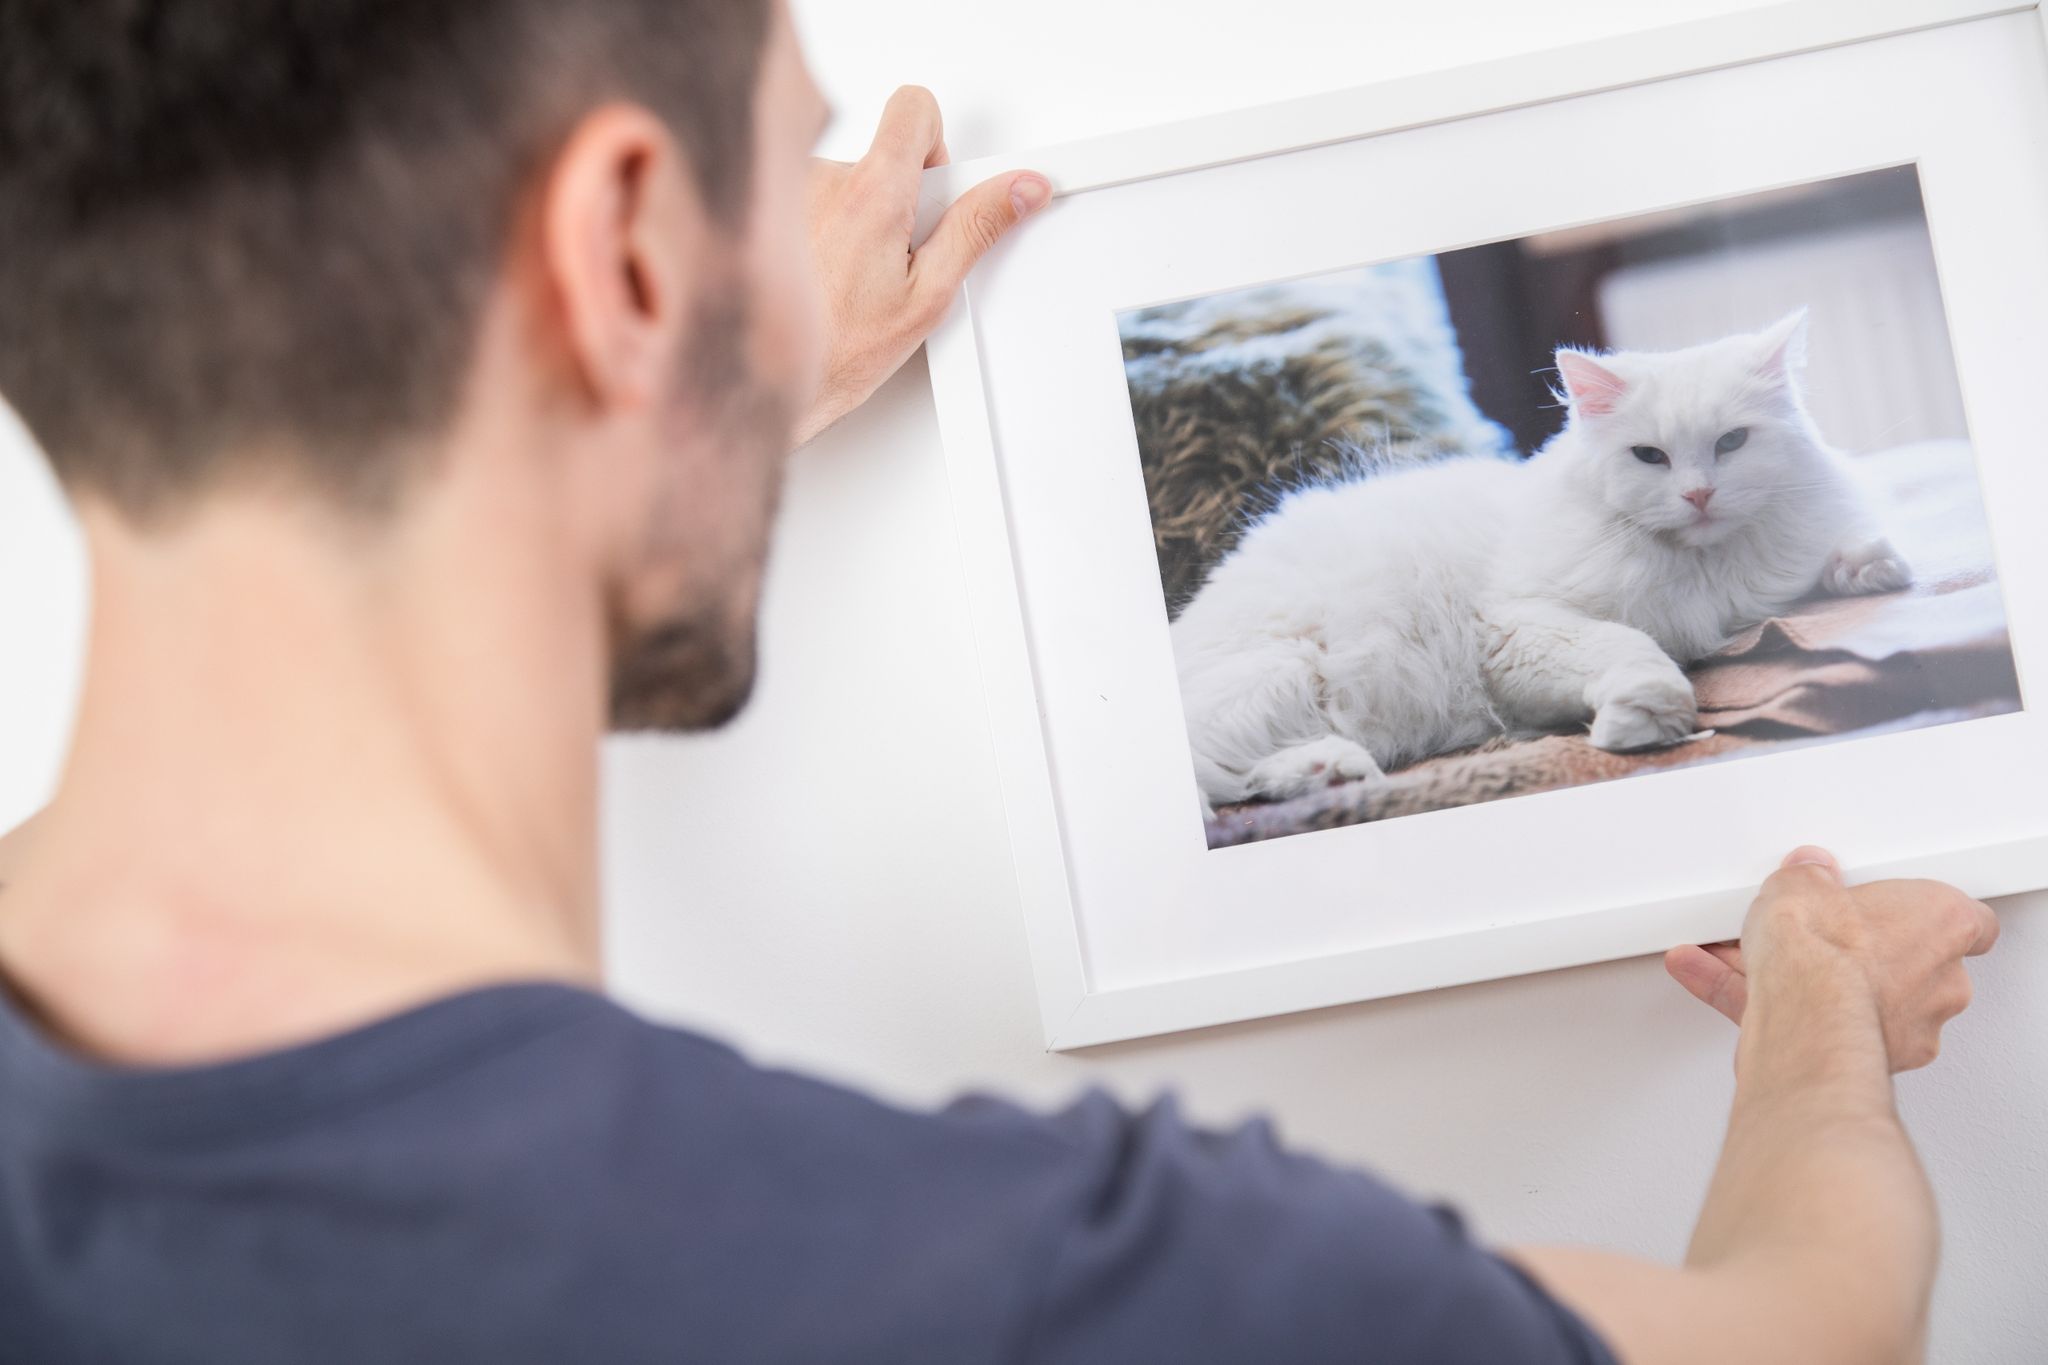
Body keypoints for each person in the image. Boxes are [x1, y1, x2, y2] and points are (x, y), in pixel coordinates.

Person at [0, 3, 2000, 1362]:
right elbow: (1789, 1331)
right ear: (619, 257)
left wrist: (679, 387)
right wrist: (1814, 1022)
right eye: (782, 164)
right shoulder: (1015, 1281)